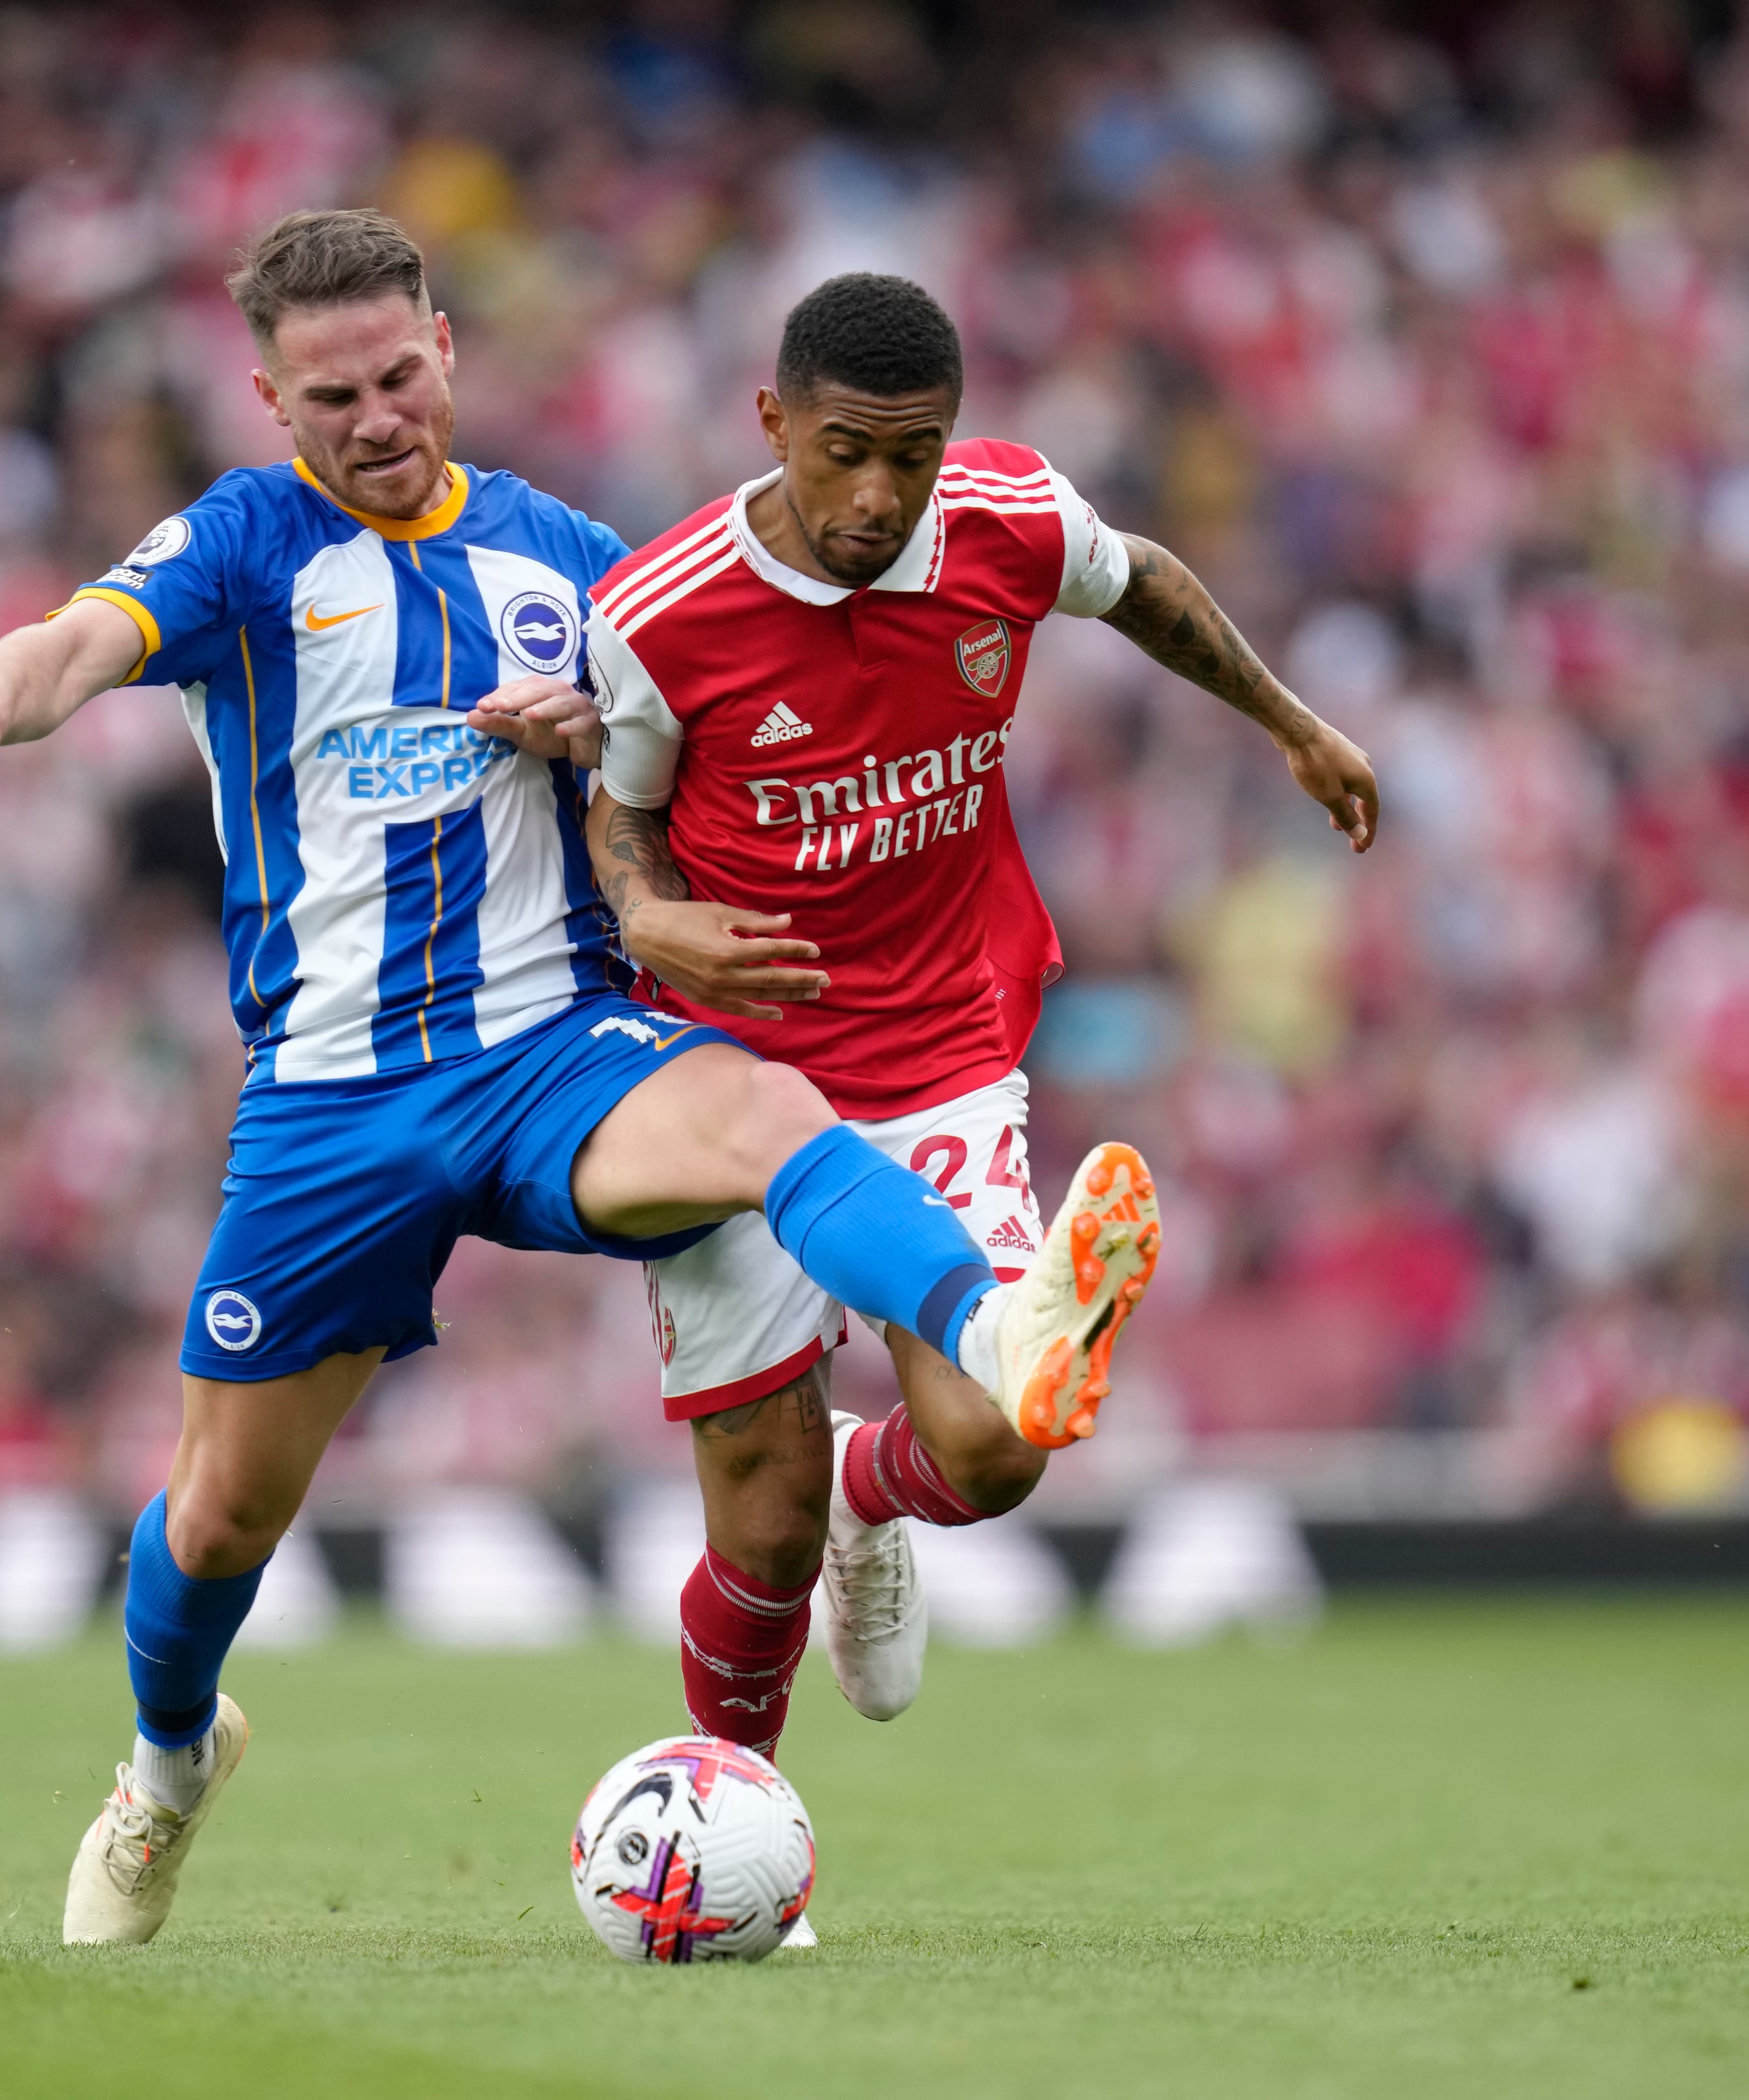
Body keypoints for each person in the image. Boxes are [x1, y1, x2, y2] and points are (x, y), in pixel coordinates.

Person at [0, 211, 1129, 1948]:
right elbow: (80, 635)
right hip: (333, 1099)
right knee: (222, 1508)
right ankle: (166, 1764)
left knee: (768, 1112)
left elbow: (677, 760)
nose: (376, 417)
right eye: (332, 395)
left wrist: (601, 744)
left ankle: (988, 1338)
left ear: (446, 352)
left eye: (397, 376)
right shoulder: (241, 542)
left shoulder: (578, 560)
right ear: (271, 400)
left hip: (550, 1054)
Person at [583, 273, 1379, 1745]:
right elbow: (617, 810)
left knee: (1002, 1441)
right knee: (757, 1530)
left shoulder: (1005, 521)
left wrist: (1295, 725)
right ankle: (738, 1809)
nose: (881, 493)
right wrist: (644, 914)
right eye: (845, 451)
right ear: (773, 421)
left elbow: (1138, 576)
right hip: (731, 1082)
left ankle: (867, 1498)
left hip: (939, 1051)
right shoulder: (661, 612)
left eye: (916, 452)